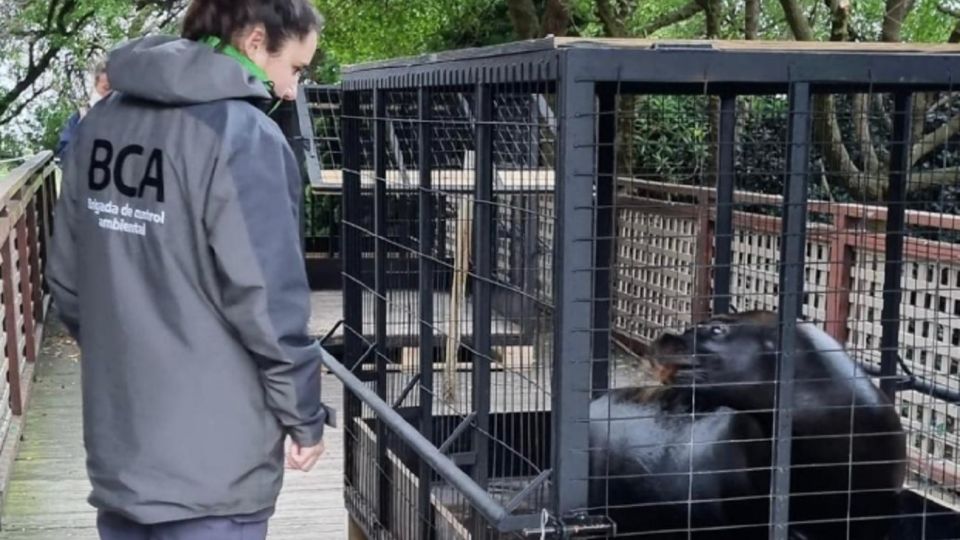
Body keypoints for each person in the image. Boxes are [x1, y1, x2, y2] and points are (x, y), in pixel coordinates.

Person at [46, 0, 332, 538]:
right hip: (215, 472)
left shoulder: (101, 124)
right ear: (253, 42)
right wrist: (304, 417)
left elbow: (66, 278)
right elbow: (268, 306)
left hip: (121, 449)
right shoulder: (244, 137)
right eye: (293, 68)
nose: (292, 90)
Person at [55, 62, 111, 159]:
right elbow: (63, 155)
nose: (110, 94)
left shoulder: (126, 119)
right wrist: (80, 130)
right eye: (106, 88)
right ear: (95, 85)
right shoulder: (78, 118)